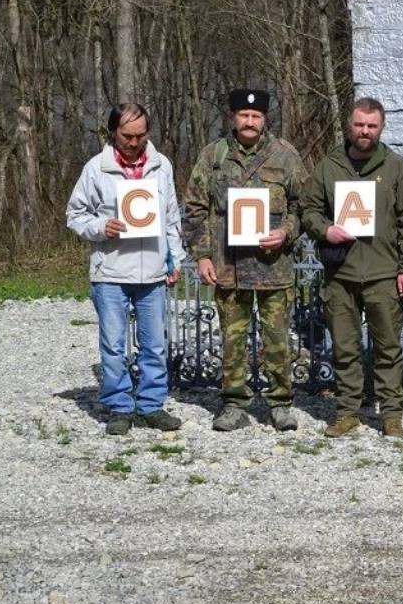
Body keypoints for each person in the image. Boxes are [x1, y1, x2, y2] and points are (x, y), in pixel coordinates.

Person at [183, 89, 309, 432]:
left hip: (273, 268)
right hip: (229, 267)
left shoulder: (285, 156)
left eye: (256, 116)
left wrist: (286, 231)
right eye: (243, 115)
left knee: (278, 341)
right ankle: (234, 403)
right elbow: (195, 208)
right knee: (232, 341)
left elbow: (305, 205)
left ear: (265, 119)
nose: (250, 121)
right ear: (233, 117)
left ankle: (281, 402)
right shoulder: (214, 156)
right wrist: (202, 256)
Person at [299, 97, 403, 438]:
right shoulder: (328, 167)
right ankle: (347, 412)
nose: (364, 131)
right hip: (341, 274)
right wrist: (325, 230)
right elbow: (308, 209)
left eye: (371, 126)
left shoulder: (396, 168)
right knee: (345, 348)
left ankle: (391, 416)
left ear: (381, 128)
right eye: (359, 124)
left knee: (388, 349)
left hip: (383, 274)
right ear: (349, 126)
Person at [66, 103, 185, 435]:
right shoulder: (96, 169)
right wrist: (102, 226)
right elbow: (74, 215)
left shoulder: (162, 167)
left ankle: (151, 405)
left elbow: (172, 217)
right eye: (127, 136)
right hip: (111, 273)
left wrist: (174, 259)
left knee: (154, 345)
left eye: (141, 135)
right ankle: (119, 406)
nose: (134, 142)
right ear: (113, 132)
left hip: (152, 274)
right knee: (114, 345)